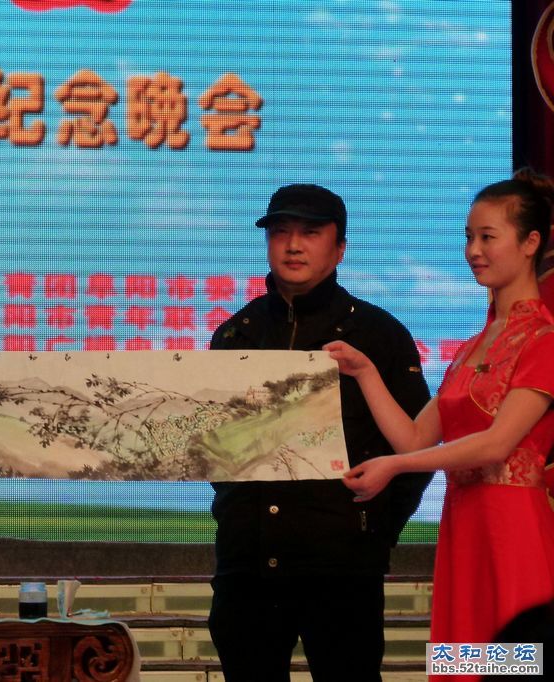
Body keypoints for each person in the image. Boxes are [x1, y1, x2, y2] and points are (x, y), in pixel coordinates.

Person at [329, 169, 554, 679]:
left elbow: (495, 445)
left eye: (488, 237)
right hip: (464, 531)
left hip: (514, 534)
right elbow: (413, 437)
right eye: (469, 237)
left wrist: (395, 466)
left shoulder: (544, 339)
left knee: (517, 666)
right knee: (462, 664)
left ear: (530, 243)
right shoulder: (473, 346)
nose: (473, 250)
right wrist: (364, 371)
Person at [207, 183, 432, 681]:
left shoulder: (379, 334)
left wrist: (374, 530)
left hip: (342, 569)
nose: (293, 245)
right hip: (247, 568)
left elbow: (418, 452)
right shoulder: (235, 334)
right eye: (280, 232)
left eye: (310, 233)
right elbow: (216, 449)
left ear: (340, 248)